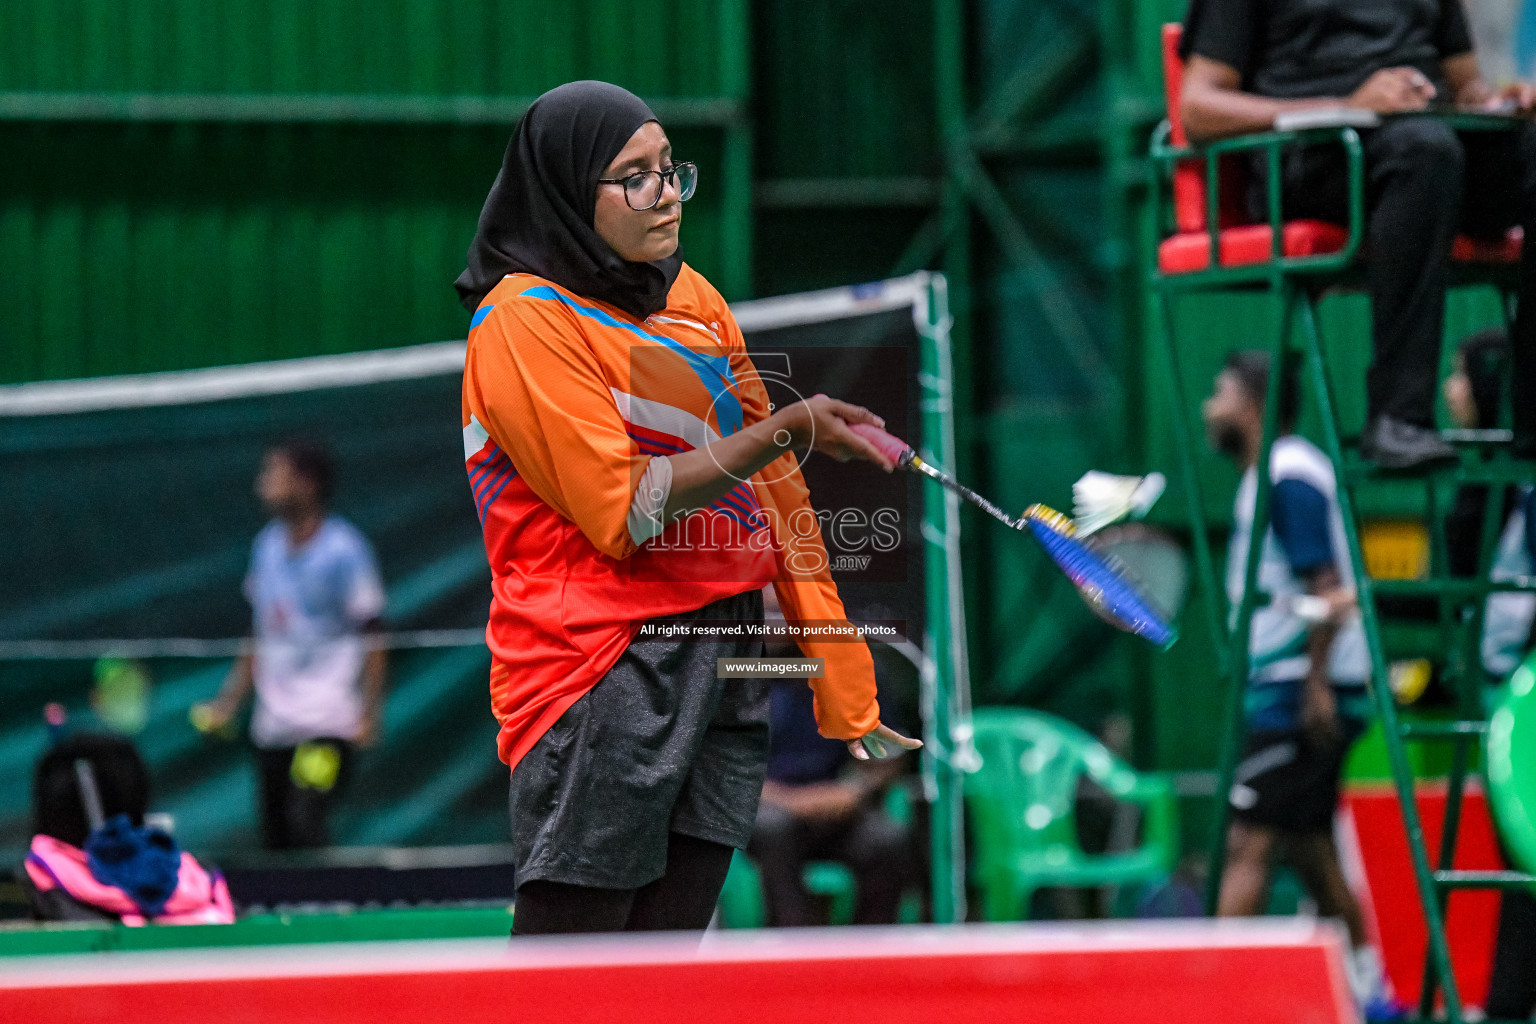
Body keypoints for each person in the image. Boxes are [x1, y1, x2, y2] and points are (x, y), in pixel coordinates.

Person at [454, 80, 919, 937]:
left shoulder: (693, 300)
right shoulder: (521, 323)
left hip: (729, 656)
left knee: (668, 956)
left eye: (672, 169)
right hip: (602, 665)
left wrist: (839, 668)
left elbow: (779, 491)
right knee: (574, 968)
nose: (665, 193)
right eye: (634, 176)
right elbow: (621, 510)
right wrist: (781, 429)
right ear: (565, 189)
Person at [1179, 0, 1536, 469]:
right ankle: (1397, 419)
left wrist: (1501, 102)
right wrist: (1344, 107)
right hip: (1312, 156)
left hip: (1431, 150)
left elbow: (1465, 84)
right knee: (1424, 152)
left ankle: (1530, 411)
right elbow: (1197, 108)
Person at [1202, 351, 1401, 1019]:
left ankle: (1219, 1000)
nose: (1209, 407)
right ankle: (1374, 988)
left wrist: (1314, 685)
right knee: (1308, 847)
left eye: (1219, 393)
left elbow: (1331, 593)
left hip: (1302, 694)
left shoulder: (1289, 477)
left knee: (1247, 839)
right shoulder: (1271, 474)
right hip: (1291, 684)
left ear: (1253, 402)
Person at [193, 439, 388, 850]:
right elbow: (259, 633)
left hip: (327, 727)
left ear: (307, 483)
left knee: (307, 818)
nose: (263, 484)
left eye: (274, 474)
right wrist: (228, 703)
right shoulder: (265, 547)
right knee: (277, 837)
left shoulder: (344, 550)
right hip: (274, 729)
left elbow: (374, 634)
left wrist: (370, 713)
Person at [1441, 329, 1536, 1020]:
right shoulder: (1492, 484)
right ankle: (1505, 1004)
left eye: (1457, 375)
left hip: (1528, 705)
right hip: (1509, 699)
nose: (1447, 391)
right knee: (1520, 864)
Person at [746, 588, 918, 926]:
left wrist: (854, 789)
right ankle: (795, 952)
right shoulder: (733, 673)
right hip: (763, 810)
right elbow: (712, 767)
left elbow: (889, 753)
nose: (775, 623)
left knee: (887, 839)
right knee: (773, 827)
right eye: (765, 613)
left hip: (834, 808)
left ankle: (868, 958)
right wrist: (790, 801)